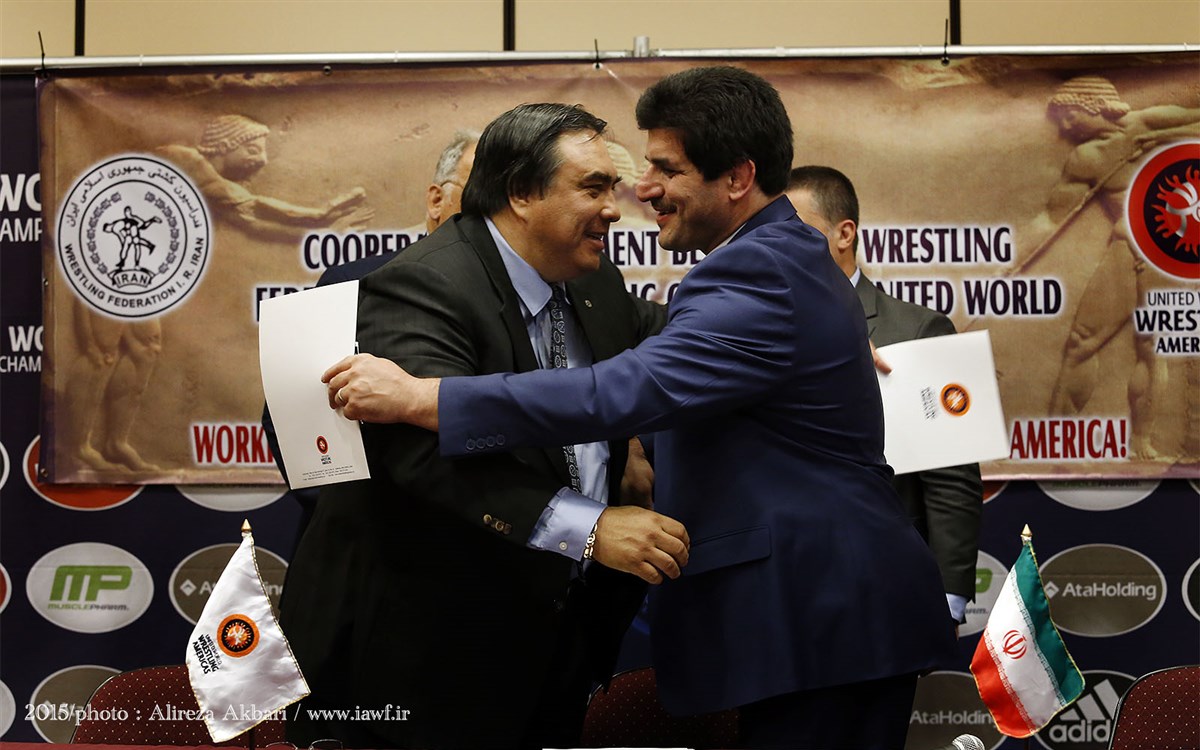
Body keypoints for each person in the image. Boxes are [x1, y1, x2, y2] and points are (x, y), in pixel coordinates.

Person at [324, 66, 956, 750]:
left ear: (737, 178)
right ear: (521, 195)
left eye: (664, 169)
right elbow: (665, 340)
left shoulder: (759, 270)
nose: (637, 193)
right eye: (597, 186)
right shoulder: (774, 261)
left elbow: (626, 388)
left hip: (821, 621)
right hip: (461, 649)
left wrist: (427, 397)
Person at [278, 103, 686, 749]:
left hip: (551, 644)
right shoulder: (422, 283)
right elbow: (427, 460)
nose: (615, 209)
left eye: (614, 188)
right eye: (593, 188)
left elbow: (670, 344)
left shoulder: (593, 278)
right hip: (424, 655)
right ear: (522, 193)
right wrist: (589, 529)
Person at [786, 165, 983, 631]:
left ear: (844, 233)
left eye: (797, 230)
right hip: (782, 582)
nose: (781, 245)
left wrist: (949, 596)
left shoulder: (920, 328)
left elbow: (952, 476)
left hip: (883, 579)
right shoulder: (756, 326)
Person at [263, 129, 480, 544]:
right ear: (436, 200)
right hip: (360, 544)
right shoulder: (349, 282)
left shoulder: (527, 297)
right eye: (480, 192)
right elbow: (290, 414)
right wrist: (350, 514)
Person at [1035, 77, 1199, 457]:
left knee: (1152, 349)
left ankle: (1141, 443)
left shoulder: (1149, 121)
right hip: (1127, 246)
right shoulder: (1086, 158)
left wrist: (1162, 138)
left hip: (1170, 252)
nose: (1064, 128)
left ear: (1093, 106)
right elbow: (1049, 218)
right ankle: (1057, 441)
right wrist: (1007, 265)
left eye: (1069, 116)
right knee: (1081, 342)